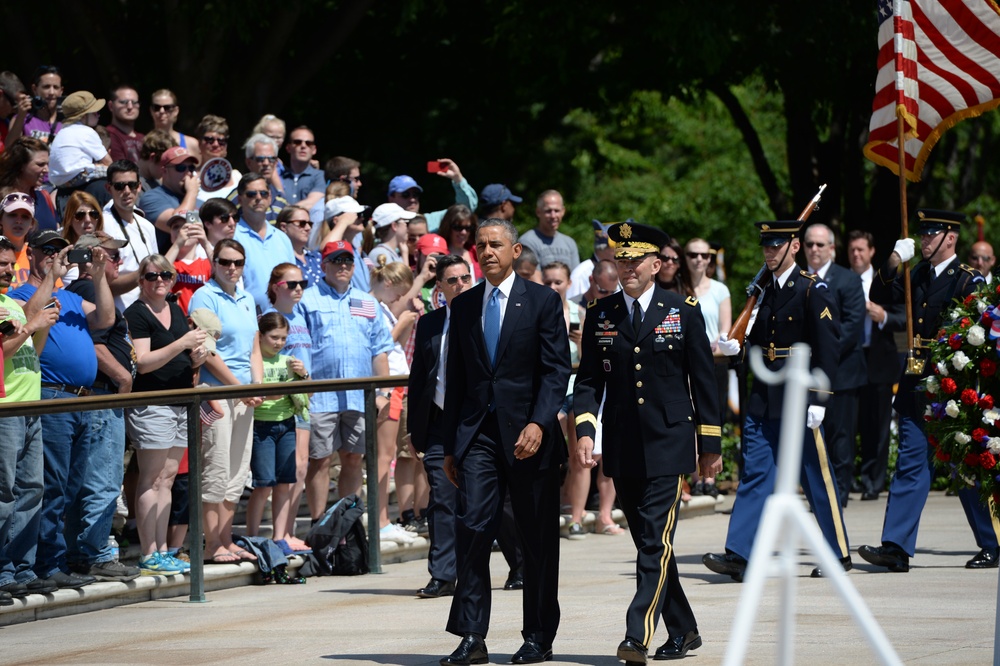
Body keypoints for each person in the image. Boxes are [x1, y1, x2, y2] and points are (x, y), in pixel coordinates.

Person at [574, 221, 722, 663]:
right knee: (651, 547)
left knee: (655, 543)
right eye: (621, 259)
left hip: (670, 443)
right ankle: (685, 630)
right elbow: (587, 382)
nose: (628, 267)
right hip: (623, 444)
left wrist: (709, 444)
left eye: (637, 260)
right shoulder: (601, 314)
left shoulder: (683, 310)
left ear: (656, 264)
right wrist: (585, 429)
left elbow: (704, 379)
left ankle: (635, 635)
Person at [439, 218, 570, 666]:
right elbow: (456, 380)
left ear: (516, 251)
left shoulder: (542, 302)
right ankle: (472, 636)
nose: (487, 251)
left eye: (496, 244)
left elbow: (556, 371)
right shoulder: (465, 305)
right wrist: (450, 445)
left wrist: (540, 423)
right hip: (479, 436)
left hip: (530, 437)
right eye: (481, 245)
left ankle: (538, 635)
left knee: (535, 540)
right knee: (473, 527)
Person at [703, 219, 850, 581]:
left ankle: (837, 553)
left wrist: (820, 398)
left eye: (776, 245)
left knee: (815, 478)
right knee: (755, 475)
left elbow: (829, 349)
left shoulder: (813, 290)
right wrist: (735, 349)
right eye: (765, 245)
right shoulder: (762, 290)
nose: (768, 251)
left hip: (800, 398)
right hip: (764, 399)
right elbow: (758, 342)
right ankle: (740, 554)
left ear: (794, 247)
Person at [859, 209, 1000, 572]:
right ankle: (895, 547)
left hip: (953, 390)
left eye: (930, 235)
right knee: (910, 465)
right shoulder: (916, 272)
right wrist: (892, 259)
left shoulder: (967, 281)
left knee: (966, 470)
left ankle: (992, 541)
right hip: (916, 382)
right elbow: (879, 293)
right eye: (921, 235)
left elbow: (977, 335)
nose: (923, 241)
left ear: (949, 238)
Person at [9, 229, 134, 582]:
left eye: (60, 249)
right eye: (46, 250)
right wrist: (50, 276)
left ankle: (60, 559)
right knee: (51, 485)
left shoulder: (73, 297)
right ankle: (46, 564)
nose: (54, 254)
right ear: (31, 254)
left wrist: (97, 277)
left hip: (82, 399)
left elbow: (106, 319)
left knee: (73, 485)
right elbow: (30, 317)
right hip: (53, 396)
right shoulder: (19, 293)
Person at [124, 254, 208, 575]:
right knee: (152, 478)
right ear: (141, 280)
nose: (159, 280)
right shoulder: (136, 313)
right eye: (151, 276)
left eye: (166, 275)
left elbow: (182, 357)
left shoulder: (174, 308)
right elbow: (143, 362)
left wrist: (196, 356)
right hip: (153, 403)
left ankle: (162, 550)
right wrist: (183, 343)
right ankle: (148, 553)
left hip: (179, 400)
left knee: (168, 479)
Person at [299, 240, 392, 521]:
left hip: (359, 396)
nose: (342, 266)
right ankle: (319, 524)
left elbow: (379, 350)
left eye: (347, 262)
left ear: (354, 267)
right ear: (323, 265)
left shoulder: (367, 301)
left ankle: (347, 523)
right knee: (320, 460)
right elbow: (299, 347)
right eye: (336, 261)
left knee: (353, 459)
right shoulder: (306, 300)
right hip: (320, 396)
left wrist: (383, 393)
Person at [189, 239, 264, 564]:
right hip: (219, 392)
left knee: (237, 469)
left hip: (244, 394)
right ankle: (211, 544)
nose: (231, 267)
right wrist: (240, 387)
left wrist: (256, 385)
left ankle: (225, 539)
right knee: (216, 467)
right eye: (224, 261)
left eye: (237, 262)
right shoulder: (204, 295)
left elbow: (255, 347)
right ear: (214, 262)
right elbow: (207, 351)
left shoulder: (247, 297)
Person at [0, 234, 66, 599]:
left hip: (31, 407)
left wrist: (52, 277)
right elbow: (4, 348)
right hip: (6, 409)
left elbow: (29, 343)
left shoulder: (10, 303)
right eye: (1, 265)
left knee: (31, 491)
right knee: (4, 492)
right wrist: (30, 325)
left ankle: (21, 568)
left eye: (11, 264)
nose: (8, 271)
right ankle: (2, 570)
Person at [408, 254, 473, 599]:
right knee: (442, 500)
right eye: (453, 280)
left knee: (493, 502)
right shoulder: (430, 323)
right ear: (440, 288)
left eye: (466, 278)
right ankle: (444, 573)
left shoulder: (485, 318)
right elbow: (419, 378)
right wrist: (413, 430)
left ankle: (518, 562)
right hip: (438, 424)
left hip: (477, 423)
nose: (461, 285)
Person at [803, 223, 867, 507]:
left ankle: (838, 493)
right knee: (810, 437)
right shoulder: (799, 278)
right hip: (805, 375)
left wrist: (822, 359)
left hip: (842, 374)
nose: (814, 249)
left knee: (840, 438)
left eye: (820, 244)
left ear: (831, 248)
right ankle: (816, 492)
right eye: (809, 244)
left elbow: (852, 327)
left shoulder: (848, 280)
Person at [246, 312, 311, 554]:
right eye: (274, 337)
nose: (279, 343)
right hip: (262, 426)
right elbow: (252, 396)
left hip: (287, 425)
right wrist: (269, 395)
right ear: (260, 336)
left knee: (285, 484)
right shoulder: (254, 361)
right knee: (263, 485)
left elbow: (309, 394)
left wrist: (303, 374)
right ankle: (252, 537)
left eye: (283, 338)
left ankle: (280, 536)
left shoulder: (288, 360)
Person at [846, 230, 904, 501]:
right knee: (850, 422)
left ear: (871, 252)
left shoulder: (886, 281)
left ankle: (873, 481)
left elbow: (905, 317)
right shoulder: (842, 280)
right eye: (852, 250)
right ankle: (851, 477)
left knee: (878, 425)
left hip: (879, 358)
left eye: (861, 249)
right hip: (850, 359)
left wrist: (883, 316)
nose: (856, 254)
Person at [370, 259, 421, 545]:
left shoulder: (384, 310)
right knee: (383, 456)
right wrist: (402, 322)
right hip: (387, 387)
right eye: (399, 293)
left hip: (397, 385)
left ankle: (383, 519)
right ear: (388, 284)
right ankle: (379, 521)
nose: (399, 299)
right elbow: (379, 348)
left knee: (388, 455)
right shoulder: (375, 309)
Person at [264, 263, 312, 551]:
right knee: (292, 468)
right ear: (275, 286)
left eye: (301, 284)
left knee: (301, 468)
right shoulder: (271, 318)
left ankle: (288, 530)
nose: (297, 289)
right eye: (290, 284)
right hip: (283, 404)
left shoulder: (300, 316)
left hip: (303, 399)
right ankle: (278, 533)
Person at [681, 237, 732, 498]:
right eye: (693, 254)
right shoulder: (679, 289)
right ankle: (694, 476)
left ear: (710, 259)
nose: (699, 259)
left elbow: (727, 334)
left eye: (704, 255)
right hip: (683, 363)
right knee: (687, 418)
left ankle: (710, 477)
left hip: (713, 362)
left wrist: (711, 347)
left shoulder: (720, 290)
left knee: (712, 418)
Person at [542, 261, 589, 539]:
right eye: (547, 282)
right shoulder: (537, 312)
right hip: (552, 390)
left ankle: (577, 518)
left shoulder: (580, 313)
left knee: (579, 456)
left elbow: (591, 362)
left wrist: (582, 342)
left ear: (569, 283)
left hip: (577, 387)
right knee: (550, 456)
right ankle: (549, 512)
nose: (552, 287)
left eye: (558, 282)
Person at [233, 172, 296, 312]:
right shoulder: (232, 237)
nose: (258, 198)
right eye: (251, 194)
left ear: (270, 197)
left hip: (284, 318)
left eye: (263, 193)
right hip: (249, 318)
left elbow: (294, 279)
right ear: (240, 199)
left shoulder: (282, 238)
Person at [102, 160, 160, 310]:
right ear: (109, 188)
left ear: (139, 186)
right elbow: (103, 285)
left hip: (150, 312)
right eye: (119, 186)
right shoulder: (103, 225)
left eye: (132, 185)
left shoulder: (147, 226)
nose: (127, 191)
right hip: (121, 315)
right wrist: (144, 273)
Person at [48, 90, 111, 207]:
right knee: (115, 171)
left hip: (61, 183)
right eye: (95, 112)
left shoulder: (60, 133)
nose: (98, 115)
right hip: (79, 176)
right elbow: (108, 162)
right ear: (83, 116)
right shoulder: (86, 131)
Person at [386, 159, 477, 233]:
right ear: (391, 198)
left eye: (416, 194)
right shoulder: (384, 226)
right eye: (406, 195)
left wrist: (458, 179)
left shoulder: (431, 221)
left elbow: (465, 209)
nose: (412, 199)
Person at [137, 146, 200, 243]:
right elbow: (181, 228)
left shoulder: (195, 197)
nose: (188, 173)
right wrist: (192, 192)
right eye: (181, 168)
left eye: (191, 168)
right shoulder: (151, 197)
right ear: (165, 171)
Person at [0, 137, 58, 230]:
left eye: (47, 164)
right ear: (21, 165)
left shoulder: (43, 197)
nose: (47, 170)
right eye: (40, 164)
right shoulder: (2, 199)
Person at [163, 210, 213, 314]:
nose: (182, 231)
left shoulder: (207, 264)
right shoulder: (169, 262)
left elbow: (223, 270)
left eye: (188, 226)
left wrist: (205, 242)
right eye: (176, 227)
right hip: (175, 323)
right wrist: (177, 244)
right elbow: (160, 271)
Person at [518, 190, 580, 270]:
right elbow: (532, 278)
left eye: (557, 211)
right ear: (538, 212)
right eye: (548, 211)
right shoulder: (527, 242)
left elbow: (575, 277)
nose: (553, 216)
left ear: (563, 211)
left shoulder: (570, 243)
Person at [233, 134, 288, 223]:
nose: (266, 163)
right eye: (260, 159)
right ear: (248, 163)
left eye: (271, 159)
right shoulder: (237, 196)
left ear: (276, 163)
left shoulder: (281, 199)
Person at [567, 220, 614, 302]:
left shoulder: (620, 269)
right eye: (617, 246)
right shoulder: (581, 274)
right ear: (602, 247)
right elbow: (572, 307)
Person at [195, 115, 240, 200]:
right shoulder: (190, 177)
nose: (216, 144)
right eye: (209, 140)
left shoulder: (237, 177)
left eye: (221, 141)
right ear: (199, 143)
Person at [276, 205, 323, 288]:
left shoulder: (317, 257)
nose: (308, 228)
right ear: (284, 227)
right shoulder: (278, 258)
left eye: (310, 224)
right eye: (302, 224)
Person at [279, 126, 324, 210]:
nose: (303, 146)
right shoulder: (278, 176)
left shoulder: (321, 176)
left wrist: (284, 210)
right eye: (297, 142)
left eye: (308, 143)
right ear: (288, 148)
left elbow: (311, 202)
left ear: (314, 150)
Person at [148, 89, 199, 160]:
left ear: (176, 111)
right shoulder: (143, 143)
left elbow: (198, 170)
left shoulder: (191, 143)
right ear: (151, 110)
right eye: (157, 107)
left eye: (167, 108)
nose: (162, 111)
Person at [22, 65, 63, 146]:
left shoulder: (69, 123)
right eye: (46, 87)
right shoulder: (22, 120)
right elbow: (9, 150)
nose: (51, 92)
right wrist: (20, 116)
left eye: (55, 87)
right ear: (34, 89)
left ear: (61, 91)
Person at [438, 205, 481, 280]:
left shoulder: (476, 252)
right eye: (458, 227)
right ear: (447, 227)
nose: (463, 232)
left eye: (468, 228)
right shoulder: (439, 254)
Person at [105, 85, 144, 164]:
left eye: (134, 102)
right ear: (111, 106)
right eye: (123, 102)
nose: (130, 107)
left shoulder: (144, 138)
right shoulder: (107, 136)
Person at [369, 203, 417, 267]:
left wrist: (404, 253)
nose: (407, 227)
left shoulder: (391, 253)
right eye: (405, 222)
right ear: (394, 226)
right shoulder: (381, 254)